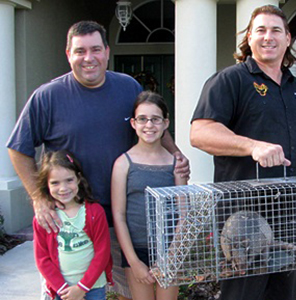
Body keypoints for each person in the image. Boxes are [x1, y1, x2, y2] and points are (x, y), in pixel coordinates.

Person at [6, 21, 189, 300]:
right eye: (80, 51)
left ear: (106, 51)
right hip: (72, 218)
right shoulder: (48, 97)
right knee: (74, 292)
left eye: (95, 49)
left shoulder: (128, 88)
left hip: (123, 217)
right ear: (68, 54)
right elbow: (18, 149)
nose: (88, 58)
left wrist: (175, 155)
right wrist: (38, 197)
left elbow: (149, 123)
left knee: (128, 290)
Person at [190, 5, 296, 300]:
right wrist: (253, 146)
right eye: (260, 30)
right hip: (243, 218)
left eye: (275, 30)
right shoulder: (230, 80)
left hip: (290, 215)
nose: (268, 37)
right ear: (249, 38)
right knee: (243, 294)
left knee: (284, 293)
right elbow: (200, 132)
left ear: (287, 39)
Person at [111, 91, 187, 300]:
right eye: (142, 119)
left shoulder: (175, 165)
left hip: (170, 250)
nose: (149, 125)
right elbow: (119, 215)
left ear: (165, 123)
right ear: (134, 123)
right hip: (136, 250)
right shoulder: (123, 163)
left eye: (155, 119)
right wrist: (133, 261)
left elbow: (184, 214)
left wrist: (171, 258)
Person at [33, 150, 112, 300]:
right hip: (60, 291)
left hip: (93, 287)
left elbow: (102, 252)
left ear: (78, 179)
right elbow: (42, 259)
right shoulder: (45, 218)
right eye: (55, 183)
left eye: (69, 180)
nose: (63, 188)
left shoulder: (95, 212)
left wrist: (82, 288)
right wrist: (64, 290)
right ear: (46, 185)